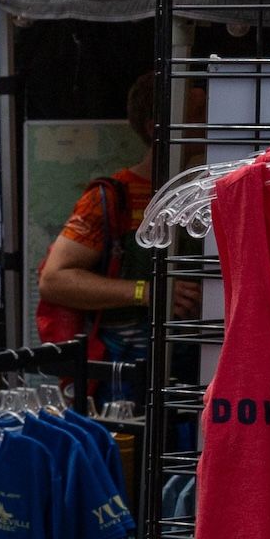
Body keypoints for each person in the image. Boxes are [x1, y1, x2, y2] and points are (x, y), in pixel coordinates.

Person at [36, 73, 167, 366]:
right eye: (198, 114)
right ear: (155, 128)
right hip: (125, 370)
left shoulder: (217, 193)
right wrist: (145, 291)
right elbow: (53, 280)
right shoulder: (108, 198)